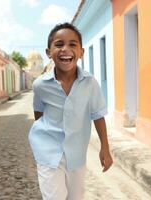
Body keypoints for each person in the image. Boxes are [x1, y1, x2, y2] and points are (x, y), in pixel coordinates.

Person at [28, 22, 113, 200]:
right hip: (48, 152)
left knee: (76, 196)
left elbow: (97, 116)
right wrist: (40, 144)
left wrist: (105, 148)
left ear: (81, 52)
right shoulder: (40, 85)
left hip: (77, 154)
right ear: (48, 52)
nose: (65, 49)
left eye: (72, 44)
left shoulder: (90, 83)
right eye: (59, 44)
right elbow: (39, 115)